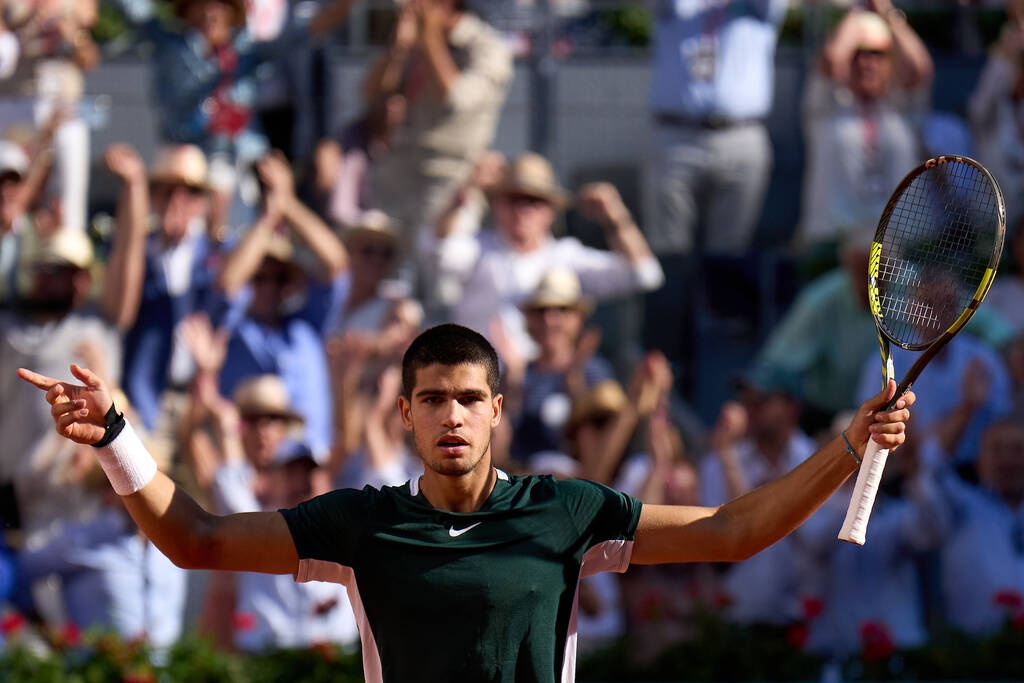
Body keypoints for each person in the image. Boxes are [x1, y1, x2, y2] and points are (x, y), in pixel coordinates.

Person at [18, 322, 914, 682]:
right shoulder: (362, 523)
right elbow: (198, 540)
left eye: (469, 398)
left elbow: (731, 531)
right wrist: (117, 438)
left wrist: (845, 442)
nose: (452, 416)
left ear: (497, 410)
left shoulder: (564, 510)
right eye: (433, 399)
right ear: (404, 413)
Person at [428, 151, 664, 357]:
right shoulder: (479, 247)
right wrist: (464, 190)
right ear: (497, 204)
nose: (523, 210)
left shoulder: (565, 256)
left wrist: (616, 219)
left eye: (534, 201)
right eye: (514, 199)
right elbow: (437, 250)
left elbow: (644, 274)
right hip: (477, 387)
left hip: (541, 391)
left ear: (550, 211)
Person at [363, 0, 513, 251]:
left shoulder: (487, 47)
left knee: (438, 268)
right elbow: (370, 94)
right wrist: (397, 50)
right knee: (382, 266)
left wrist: (431, 37)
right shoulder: (415, 40)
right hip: (398, 173)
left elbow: (454, 100)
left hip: (448, 178)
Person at [795, 0, 933, 266]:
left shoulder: (902, 108)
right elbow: (832, 58)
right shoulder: (827, 106)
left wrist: (885, 12)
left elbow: (918, 69)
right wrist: (858, 10)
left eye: (877, 54)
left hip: (900, 248)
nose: (867, 62)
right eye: (858, 53)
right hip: (833, 245)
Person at [938, 417, 1024, 636]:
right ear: (979, 461)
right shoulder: (957, 505)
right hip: (975, 658)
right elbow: (930, 470)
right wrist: (968, 410)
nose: (1007, 460)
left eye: (1017, 450)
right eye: (996, 450)